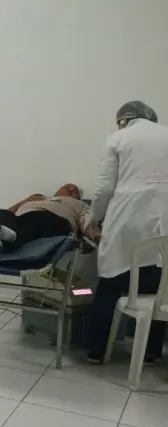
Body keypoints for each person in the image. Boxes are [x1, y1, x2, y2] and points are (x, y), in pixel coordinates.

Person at [86, 101, 168, 365]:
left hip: (127, 220)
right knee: (160, 290)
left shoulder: (118, 138)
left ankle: (96, 350)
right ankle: (151, 352)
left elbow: (104, 190)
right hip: (164, 223)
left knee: (111, 284)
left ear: (124, 119)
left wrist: (92, 220)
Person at [0, 184, 89, 254]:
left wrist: (92, 236)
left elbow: (88, 223)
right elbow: (8, 213)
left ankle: (6, 240)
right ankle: (1, 242)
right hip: (23, 220)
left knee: (35, 219)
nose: (72, 189)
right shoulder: (39, 198)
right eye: (68, 187)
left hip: (56, 221)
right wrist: (26, 201)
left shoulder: (80, 205)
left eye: (75, 191)